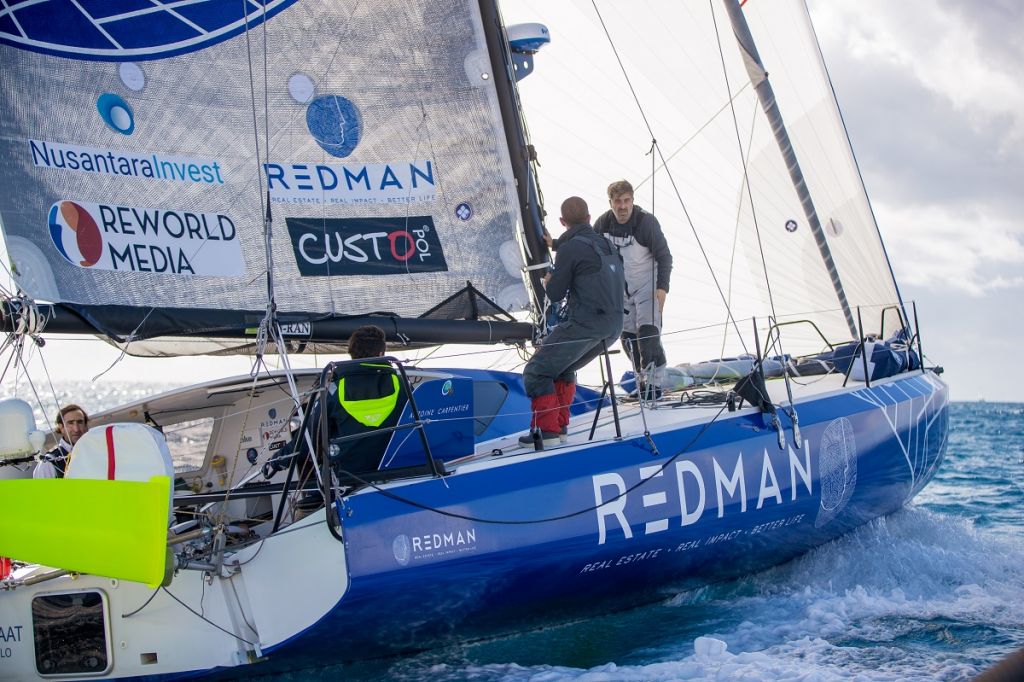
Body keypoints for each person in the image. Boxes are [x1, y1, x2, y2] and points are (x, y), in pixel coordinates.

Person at [521, 196, 625, 447]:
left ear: (561, 221)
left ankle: (547, 433)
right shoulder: (608, 245)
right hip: (614, 327)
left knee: (536, 372)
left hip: (586, 324)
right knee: (563, 368)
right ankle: (560, 428)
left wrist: (548, 281)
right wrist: (556, 245)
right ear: (589, 218)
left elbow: (555, 294)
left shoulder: (570, 249)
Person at [593, 179, 673, 399]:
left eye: (627, 200)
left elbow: (665, 257)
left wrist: (662, 289)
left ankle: (654, 386)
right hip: (621, 291)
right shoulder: (603, 224)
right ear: (610, 203)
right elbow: (585, 246)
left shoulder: (646, 223)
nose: (622, 206)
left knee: (648, 335)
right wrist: (557, 244)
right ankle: (642, 383)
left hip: (648, 286)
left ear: (632, 200)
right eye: (617, 201)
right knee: (628, 339)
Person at [33, 404, 89, 478]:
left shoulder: (97, 451)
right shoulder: (49, 463)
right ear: (61, 427)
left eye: (80, 422)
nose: (76, 429)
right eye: (70, 423)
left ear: (85, 426)